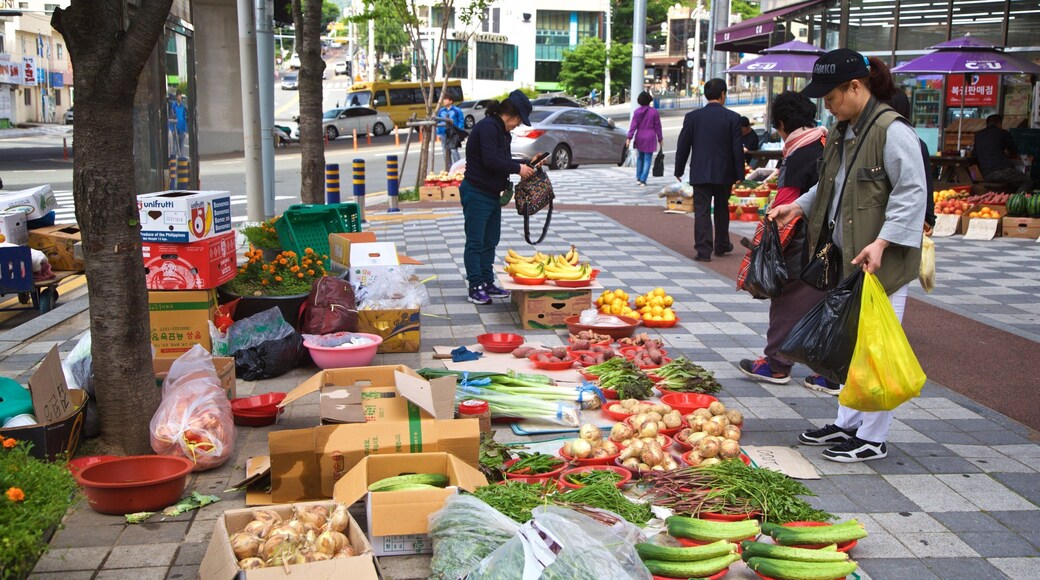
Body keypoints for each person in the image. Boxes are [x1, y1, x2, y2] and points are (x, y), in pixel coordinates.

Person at [768, 48, 926, 463]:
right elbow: (829, 186)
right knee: (852, 344)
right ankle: (847, 422)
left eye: (832, 95)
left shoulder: (892, 131)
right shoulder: (842, 129)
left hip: (880, 263)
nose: (826, 103)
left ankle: (874, 436)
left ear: (855, 87)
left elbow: (913, 193)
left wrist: (884, 241)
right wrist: (798, 206)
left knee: (875, 348)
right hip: (848, 258)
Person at [738, 91, 827, 385]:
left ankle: (776, 364)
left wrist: (767, 243)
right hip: (833, 237)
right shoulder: (826, 143)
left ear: (783, 123)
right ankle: (830, 372)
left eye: (777, 126)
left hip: (803, 240)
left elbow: (785, 204)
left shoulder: (800, 152)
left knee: (787, 297)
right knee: (828, 299)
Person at [460, 90, 537, 305]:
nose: (517, 125)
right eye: (519, 121)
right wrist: (517, 168)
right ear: (512, 115)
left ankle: (487, 280)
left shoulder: (501, 132)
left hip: (492, 193)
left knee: (490, 240)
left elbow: (502, 159)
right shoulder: (488, 128)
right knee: (476, 241)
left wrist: (527, 164)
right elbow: (491, 160)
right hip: (476, 192)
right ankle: (475, 285)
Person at [674, 78, 744, 262]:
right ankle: (721, 244)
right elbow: (737, 148)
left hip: (700, 172)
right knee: (722, 208)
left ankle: (703, 250)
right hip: (724, 172)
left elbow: (683, 145)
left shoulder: (693, 117)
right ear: (723, 95)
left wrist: (678, 169)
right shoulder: (733, 118)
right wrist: (740, 173)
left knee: (702, 211)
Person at [973, 114, 1032, 193]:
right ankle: (1015, 202)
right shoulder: (1003, 133)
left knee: (1011, 183)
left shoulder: (978, 135)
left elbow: (975, 154)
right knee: (1027, 182)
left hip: (986, 174)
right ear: (999, 124)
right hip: (1003, 170)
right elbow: (1014, 151)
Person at [626, 92, 664, 187]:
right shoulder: (654, 112)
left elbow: (633, 126)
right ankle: (643, 180)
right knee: (647, 159)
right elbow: (658, 127)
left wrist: (629, 137)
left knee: (640, 158)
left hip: (640, 136)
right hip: (650, 137)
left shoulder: (637, 112)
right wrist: (660, 138)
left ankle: (638, 178)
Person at [436, 94, 465, 171]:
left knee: (454, 150)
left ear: (451, 101)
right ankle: (448, 169)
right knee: (445, 152)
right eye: (443, 99)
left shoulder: (457, 110)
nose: (444, 101)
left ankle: (458, 169)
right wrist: (438, 133)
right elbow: (438, 122)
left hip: (453, 133)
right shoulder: (441, 111)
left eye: (445, 99)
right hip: (443, 133)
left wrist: (458, 131)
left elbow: (461, 121)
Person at [171, 92, 188, 156]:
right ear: (176, 97)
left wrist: (185, 129)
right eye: (178, 96)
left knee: (181, 149)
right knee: (175, 148)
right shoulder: (173, 106)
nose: (180, 97)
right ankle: (174, 163)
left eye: (180, 96)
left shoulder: (182, 106)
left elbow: (184, 117)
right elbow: (171, 117)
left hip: (182, 129)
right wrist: (172, 129)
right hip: (176, 128)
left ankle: (181, 163)